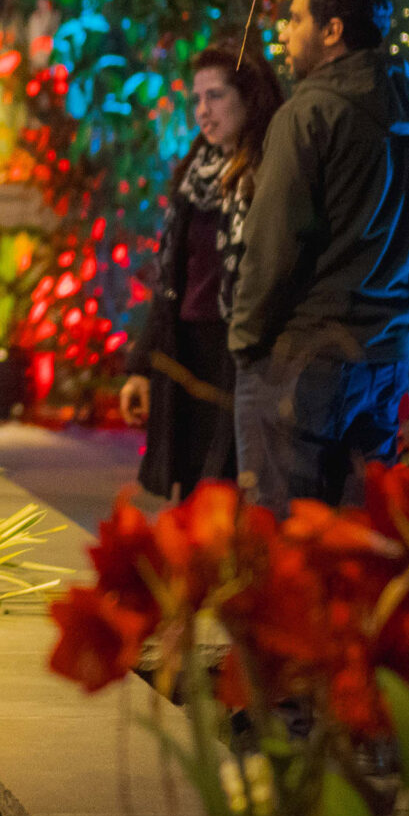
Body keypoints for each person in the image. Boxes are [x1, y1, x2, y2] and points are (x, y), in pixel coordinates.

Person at [228, 0, 409, 515]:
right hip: (384, 367)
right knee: (357, 546)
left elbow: (274, 248)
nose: (283, 33)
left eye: (294, 19)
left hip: (302, 363)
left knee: (282, 547)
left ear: (332, 30)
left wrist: (246, 342)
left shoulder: (309, 115)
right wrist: (397, 327)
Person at [118, 47, 284, 500]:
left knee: (235, 491)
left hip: (241, 353)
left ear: (249, 98)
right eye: (196, 100)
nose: (202, 112)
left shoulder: (272, 172)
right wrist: (141, 368)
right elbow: (171, 280)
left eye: (215, 96)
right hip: (186, 351)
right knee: (193, 496)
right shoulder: (196, 174)